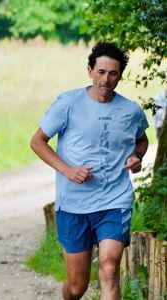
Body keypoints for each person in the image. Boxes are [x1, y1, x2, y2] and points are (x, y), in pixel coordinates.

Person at [30, 42, 149, 300]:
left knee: (108, 269)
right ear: (89, 70)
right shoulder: (67, 103)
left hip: (114, 201)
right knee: (77, 286)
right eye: (101, 72)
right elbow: (37, 141)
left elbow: (142, 140)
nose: (106, 79)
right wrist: (68, 170)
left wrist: (136, 156)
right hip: (74, 204)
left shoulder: (131, 111)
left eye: (113, 73)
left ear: (120, 76)